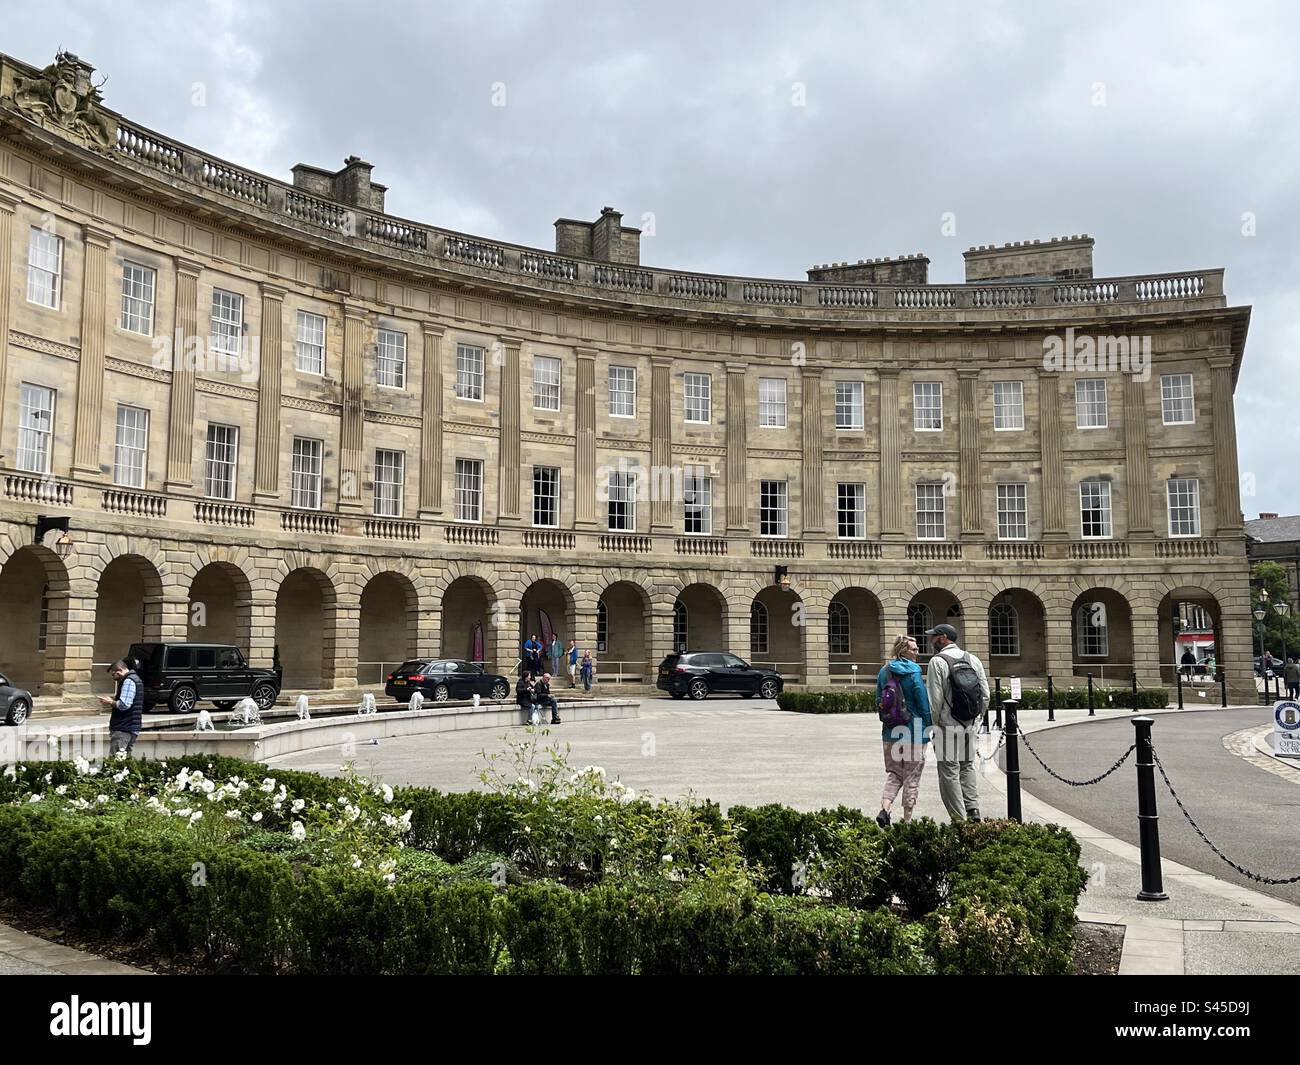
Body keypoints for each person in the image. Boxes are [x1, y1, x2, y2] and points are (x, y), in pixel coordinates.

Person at [924, 623, 989, 823]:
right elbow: (985, 695)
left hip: (947, 725)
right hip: (968, 724)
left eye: (933, 636)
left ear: (943, 638)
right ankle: (973, 810)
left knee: (949, 772)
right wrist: (976, 720)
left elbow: (935, 700)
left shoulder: (937, 661)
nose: (931, 640)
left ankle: (959, 819)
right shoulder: (973, 659)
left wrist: (935, 726)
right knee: (967, 766)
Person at [875, 634, 933, 827]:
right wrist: (928, 726)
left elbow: (879, 702)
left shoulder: (884, 671)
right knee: (911, 777)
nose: (917, 652)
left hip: (891, 732)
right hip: (914, 731)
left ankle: (885, 809)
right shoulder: (914, 671)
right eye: (914, 649)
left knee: (894, 774)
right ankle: (907, 821)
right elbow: (922, 702)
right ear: (903, 651)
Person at [98, 659, 143, 756]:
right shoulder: (135, 679)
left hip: (124, 728)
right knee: (124, 762)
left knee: (116, 761)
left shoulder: (128, 681)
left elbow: (124, 704)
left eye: (113, 674)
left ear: (120, 670)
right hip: (130, 727)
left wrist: (110, 702)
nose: (113, 677)